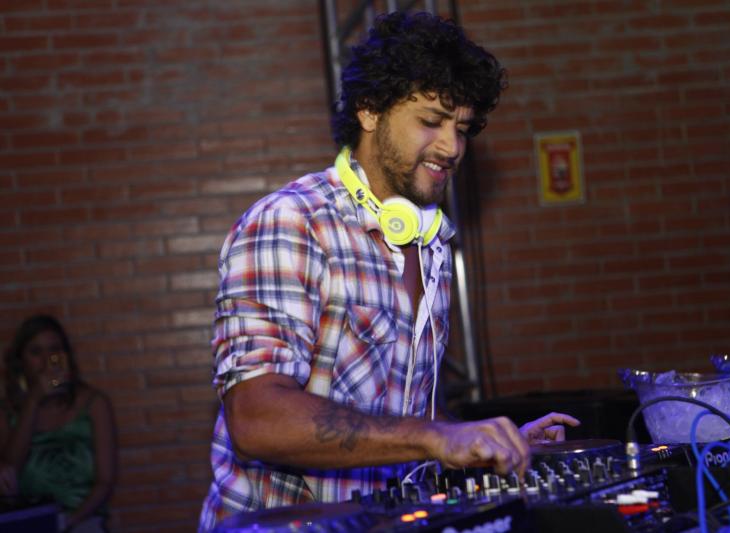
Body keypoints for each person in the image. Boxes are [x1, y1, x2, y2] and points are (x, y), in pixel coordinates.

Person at [199, 11, 579, 531]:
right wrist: (433, 437)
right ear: (369, 110)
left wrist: (485, 440)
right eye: (431, 121)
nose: (452, 147)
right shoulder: (293, 224)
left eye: (462, 129)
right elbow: (257, 420)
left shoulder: (431, 242)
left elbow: (402, 412)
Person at [0, 315, 117, 533]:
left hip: (82, 519)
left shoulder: (94, 403)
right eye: (36, 352)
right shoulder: (7, 411)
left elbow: (105, 481)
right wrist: (33, 401)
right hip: (31, 519)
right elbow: (9, 471)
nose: (46, 361)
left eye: (54, 350)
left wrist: (69, 521)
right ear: (21, 360)